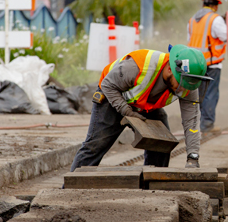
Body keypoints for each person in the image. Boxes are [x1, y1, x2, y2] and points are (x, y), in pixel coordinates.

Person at [70, 44, 212, 170]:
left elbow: (191, 121)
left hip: (144, 104)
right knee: (95, 146)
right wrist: (127, 111)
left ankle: (152, 187)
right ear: (170, 69)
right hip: (112, 96)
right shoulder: (137, 67)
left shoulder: (189, 82)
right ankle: (71, 189)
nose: (185, 88)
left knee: (162, 144)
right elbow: (108, 85)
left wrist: (193, 157)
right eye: (183, 82)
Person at [188, 0, 228, 134]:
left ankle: (194, 124)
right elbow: (226, 36)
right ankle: (206, 124)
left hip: (194, 64)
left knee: (197, 94)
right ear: (217, 4)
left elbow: (190, 39)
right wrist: (226, 24)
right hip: (211, 64)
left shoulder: (193, 19)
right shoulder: (215, 19)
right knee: (210, 94)